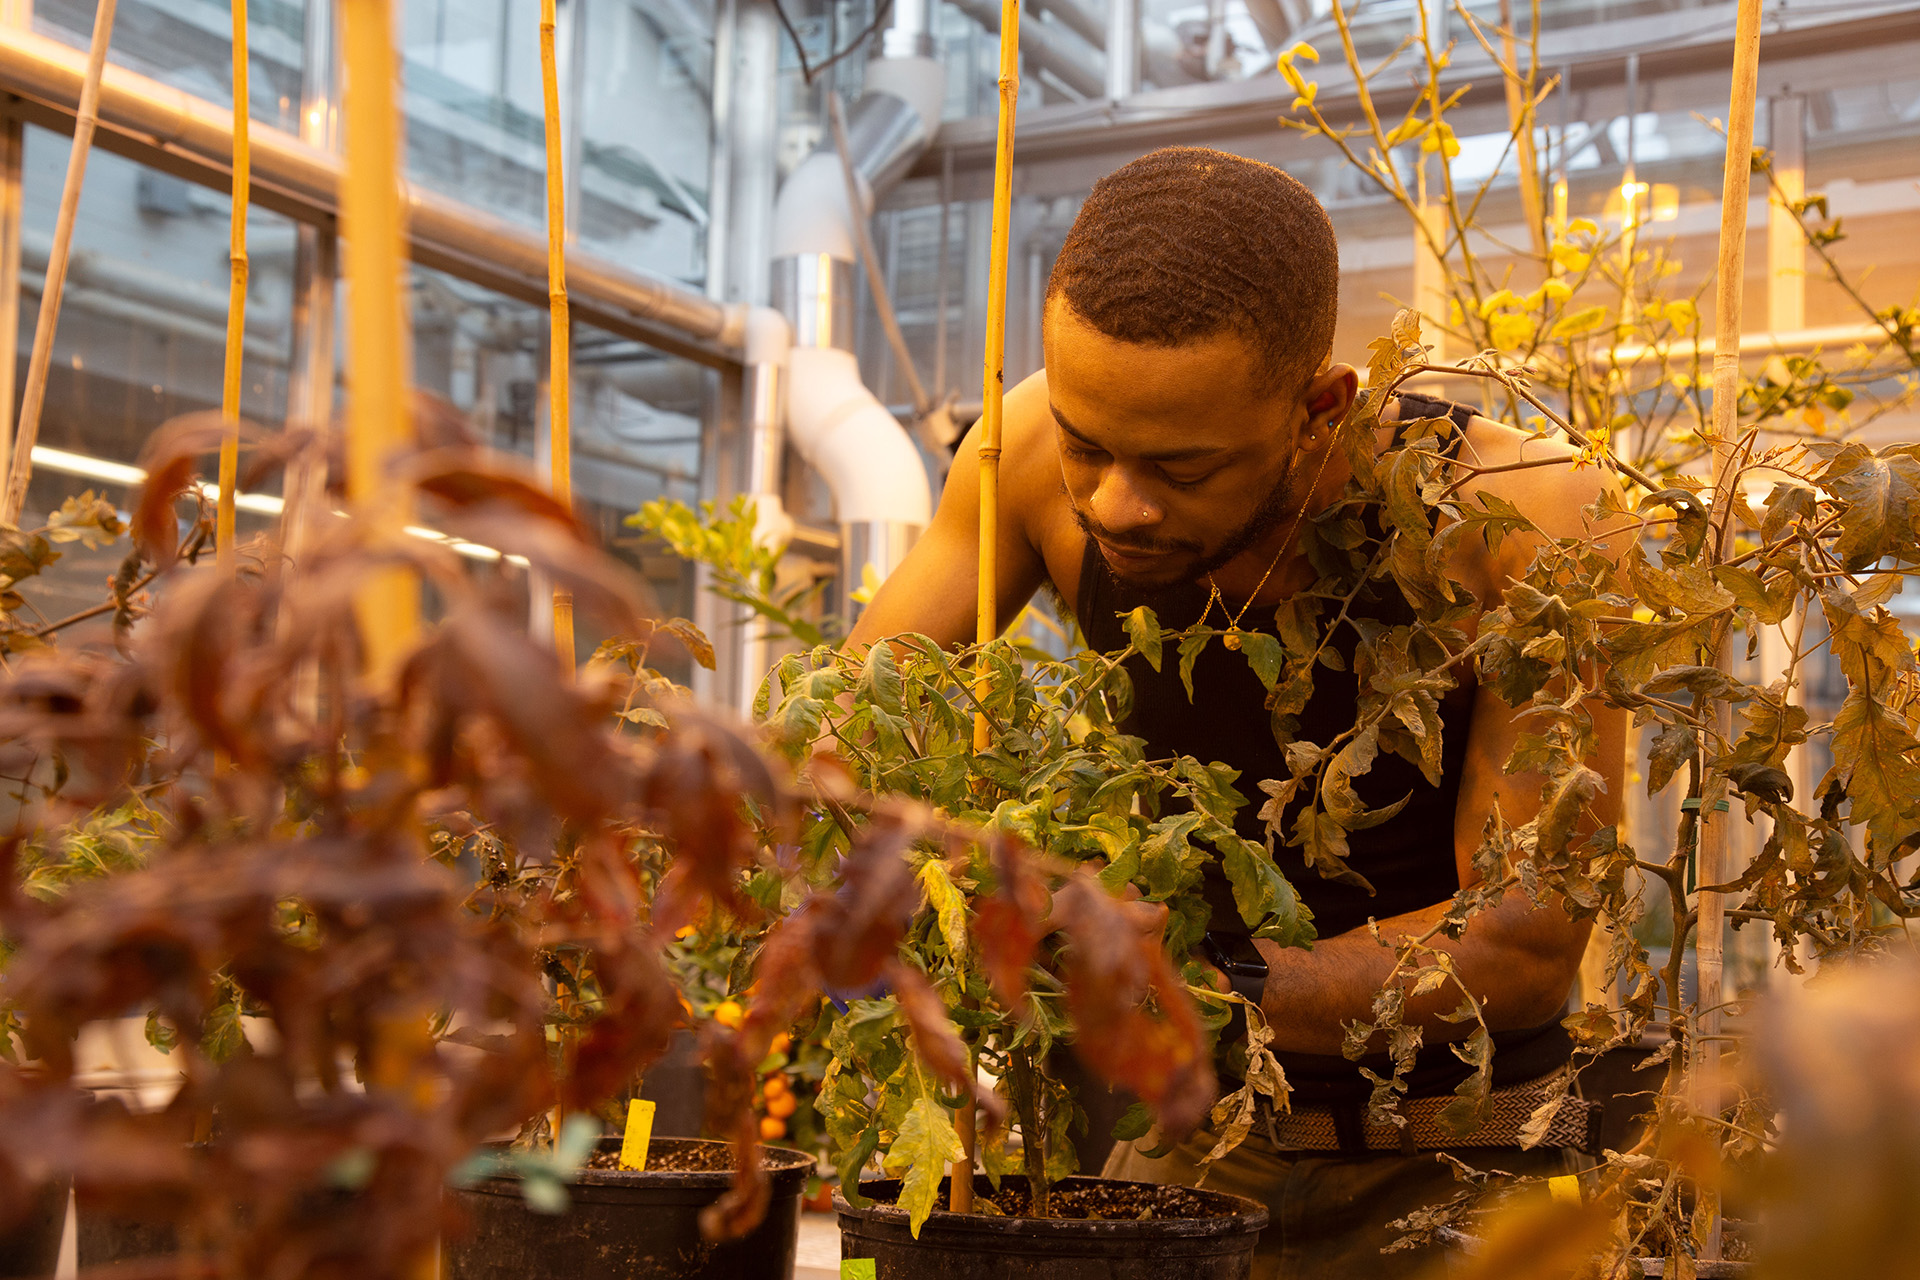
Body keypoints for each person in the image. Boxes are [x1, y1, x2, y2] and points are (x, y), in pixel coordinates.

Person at [846, 146, 1629, 1278]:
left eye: (1181, 465)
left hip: (1461, 1156)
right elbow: (853, 722)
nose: (1117, 500)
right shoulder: (1018, 456)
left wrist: (1200, 974)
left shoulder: (1521, 518)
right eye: (1087, 443)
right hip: (1192, 1134)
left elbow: (1519, 948)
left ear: (1321, 407)